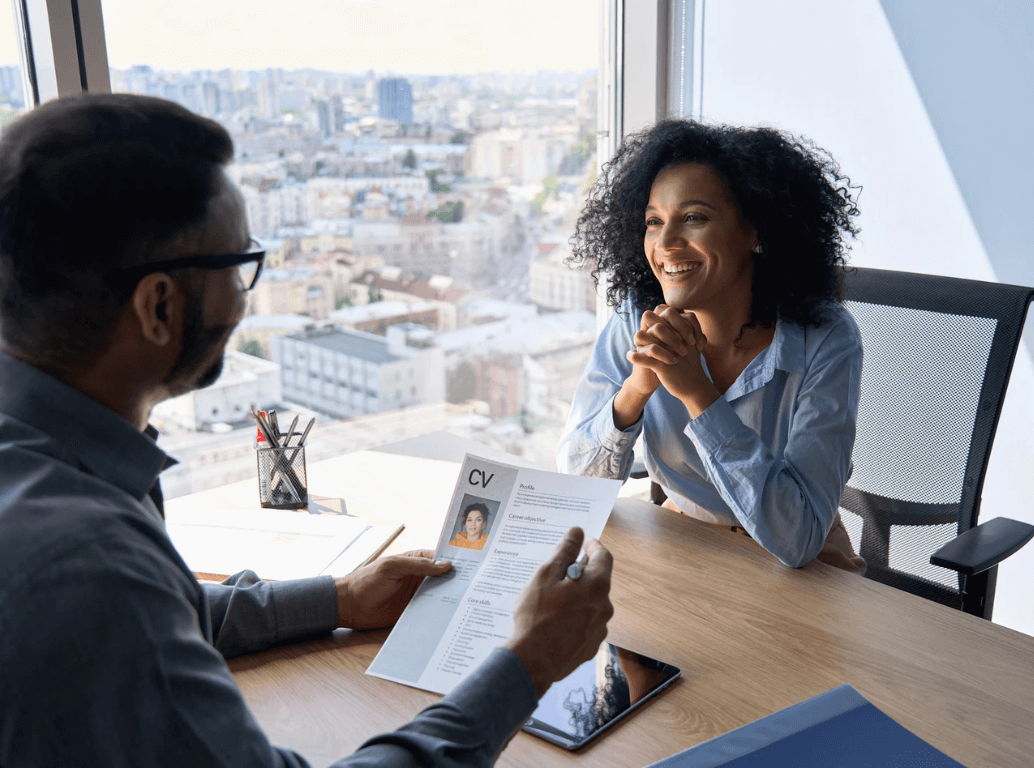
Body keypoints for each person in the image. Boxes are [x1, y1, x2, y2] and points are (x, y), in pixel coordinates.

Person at [0, 93, 614, 767]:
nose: (245, 298)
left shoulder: (42, 464)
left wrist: (339, 599)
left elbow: (155, 618)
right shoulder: (86, 565)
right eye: (239, 266)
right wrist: (529, 662)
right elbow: (121, 609)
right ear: (159, 306)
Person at [557, 119, 865, 574]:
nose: (665, 243)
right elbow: (575, 485)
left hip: (801, 568)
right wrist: (635, 390)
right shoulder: (637, 317)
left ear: (755, 229)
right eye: (654, 222)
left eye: (693, 218)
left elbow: (799, 536)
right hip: (686, 543)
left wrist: (697, 393)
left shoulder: (825, 338)